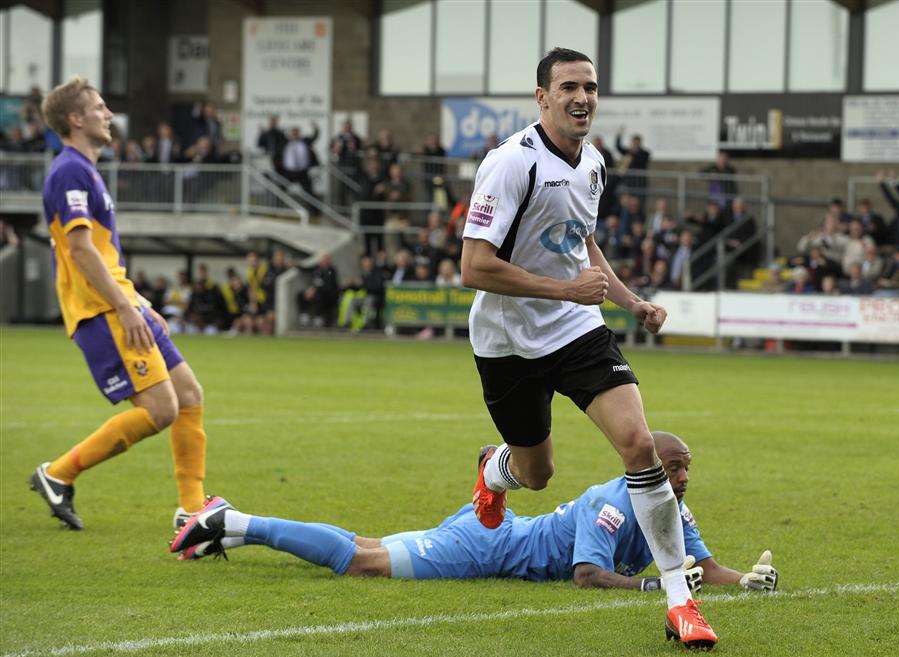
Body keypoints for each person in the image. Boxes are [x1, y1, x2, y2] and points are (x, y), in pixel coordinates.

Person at [457, 48, 716, 648]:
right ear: (542, 97)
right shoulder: (508, 164)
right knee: (537, 473)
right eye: (569, 86)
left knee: (639, 443)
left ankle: (681, 603)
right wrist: (565, 288)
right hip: (506, 342)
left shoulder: (594, 163)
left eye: (591, 87)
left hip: (576, 328)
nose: (583, 97)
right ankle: (493, 472)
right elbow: (473, 266)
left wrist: (630, 302)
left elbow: (583, 244)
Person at [170, 432, 779, 602]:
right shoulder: (611, 504)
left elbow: (704, 566)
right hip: (491, 546)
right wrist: (654, 584)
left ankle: (236, 526)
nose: (681, 479)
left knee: (363, 544)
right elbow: (588, 578)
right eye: (673, 468)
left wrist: (745, 583)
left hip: (492, 533)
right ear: (646, 463)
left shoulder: (670, 509)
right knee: (363, 563)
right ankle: (234, 521)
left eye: (684, 468)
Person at [31, 77, 213, 532]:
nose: (108, 114)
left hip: (120, 302)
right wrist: (125, 307)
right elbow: (80, 250)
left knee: (189, 395)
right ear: (75, 119)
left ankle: (193, 510)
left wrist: (138, 299)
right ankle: (58, 473)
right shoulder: (68, 170)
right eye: (99, 107)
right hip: (101, 311)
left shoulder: (86, 170)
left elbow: (102, 253)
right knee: (162, 410)